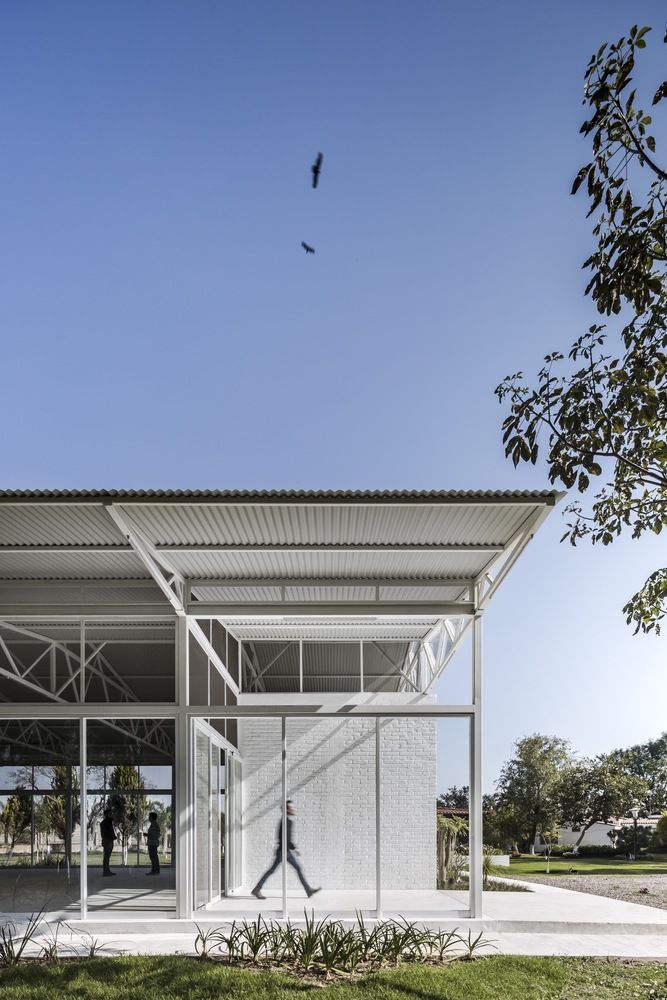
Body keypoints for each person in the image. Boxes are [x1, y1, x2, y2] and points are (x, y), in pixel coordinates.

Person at [252, 800, 320, 899]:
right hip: (283, 851)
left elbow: (284, 838)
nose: (293, 808)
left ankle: (308, 890)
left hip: (285, 850)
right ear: (287, 810)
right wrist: (295, 848)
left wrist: (292, 847)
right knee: (272, 870)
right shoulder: (285, 821)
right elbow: (284, 838)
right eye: (291, 807)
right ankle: (257, 889)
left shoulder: (286, 821)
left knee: (295, 868)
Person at [100, 808, 116, 877]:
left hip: (109, 841)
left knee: (107, 857)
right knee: (106, 857)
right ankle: (105, 872)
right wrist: (109, 838)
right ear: (107, 815)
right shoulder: (105, 823)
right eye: (110, 813)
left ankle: (107, 871)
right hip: (108, 841)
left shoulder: (108, 822)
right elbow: (104, 833)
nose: (112, 814)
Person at [145, 811, 161, 875]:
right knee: (154, 857)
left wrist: (147, 834)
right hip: (153, 843)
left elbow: (154, 834)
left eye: (149, 817)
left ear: (152, 818)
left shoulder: (154, 824)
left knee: (153, 857)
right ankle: (156, 870)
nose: (149, 818)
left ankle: (154, 871)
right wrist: (148, 834)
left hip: (152, 843)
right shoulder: (154, 824)